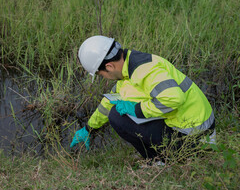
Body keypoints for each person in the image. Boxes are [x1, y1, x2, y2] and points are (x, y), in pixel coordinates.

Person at [70, 35, 215, 161]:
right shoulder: (129, 67)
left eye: (101, 74)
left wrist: (137, 109)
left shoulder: (144, 70)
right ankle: (161, 156)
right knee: (116, 110)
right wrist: (89, 128)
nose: (105, 78)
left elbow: (174, 98)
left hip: (195, 138)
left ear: (109, 66)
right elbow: (109, 101)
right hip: (189, 128)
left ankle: (159, 161)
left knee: (116, 117)